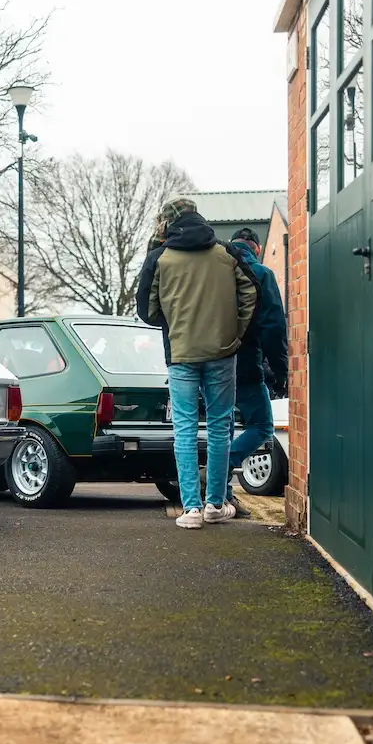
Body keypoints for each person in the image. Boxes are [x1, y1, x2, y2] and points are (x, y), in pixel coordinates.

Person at [135, 198, 258, 530]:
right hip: (222, 352)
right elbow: (251, 293)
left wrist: (174, 322)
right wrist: (235, 333)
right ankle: (216, 504)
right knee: (221, 428)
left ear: (168, 224)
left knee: (185, 431)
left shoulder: (159, 258)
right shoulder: (226, 253)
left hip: (181, 354)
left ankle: (190, 509)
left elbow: (146, 310)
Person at [225, 228, 288, 512]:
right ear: (257, 248)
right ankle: (220, 467)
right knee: (262, 426)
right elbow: (273, 328)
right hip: (246, 365)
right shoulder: (261, 274)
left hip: (208, 363)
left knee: (220, 428)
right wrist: (281, 371)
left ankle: (220, 494)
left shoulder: (217, 271)